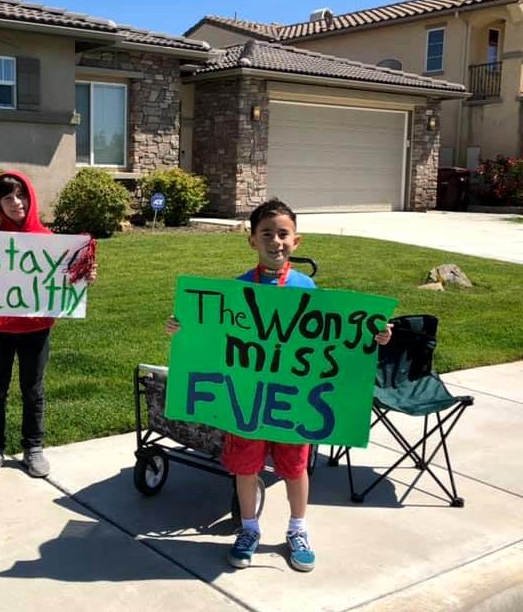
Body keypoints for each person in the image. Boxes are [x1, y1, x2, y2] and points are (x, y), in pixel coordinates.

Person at [165, 197, 391, 572]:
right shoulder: (235, 291)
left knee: (295, 467)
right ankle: (249, 527)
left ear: (296, 241)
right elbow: (213, 338)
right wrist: (183, 329)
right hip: (248, 402)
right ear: (252, 240)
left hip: (294, 402)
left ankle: (297, 528)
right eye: (266, 233)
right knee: (245, 467)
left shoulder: (307, 289)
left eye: (283, 234)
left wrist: (376, 335)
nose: (276, 241)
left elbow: (334, 340)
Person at [0, 171, 96, 481]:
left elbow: (68, 278)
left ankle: (33, 447)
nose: (17, 203)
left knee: (33, 389)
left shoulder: (53, 243)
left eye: (21, 195)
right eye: (7, 198)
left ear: (31, 196)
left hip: (36, 329)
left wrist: (85, 277)